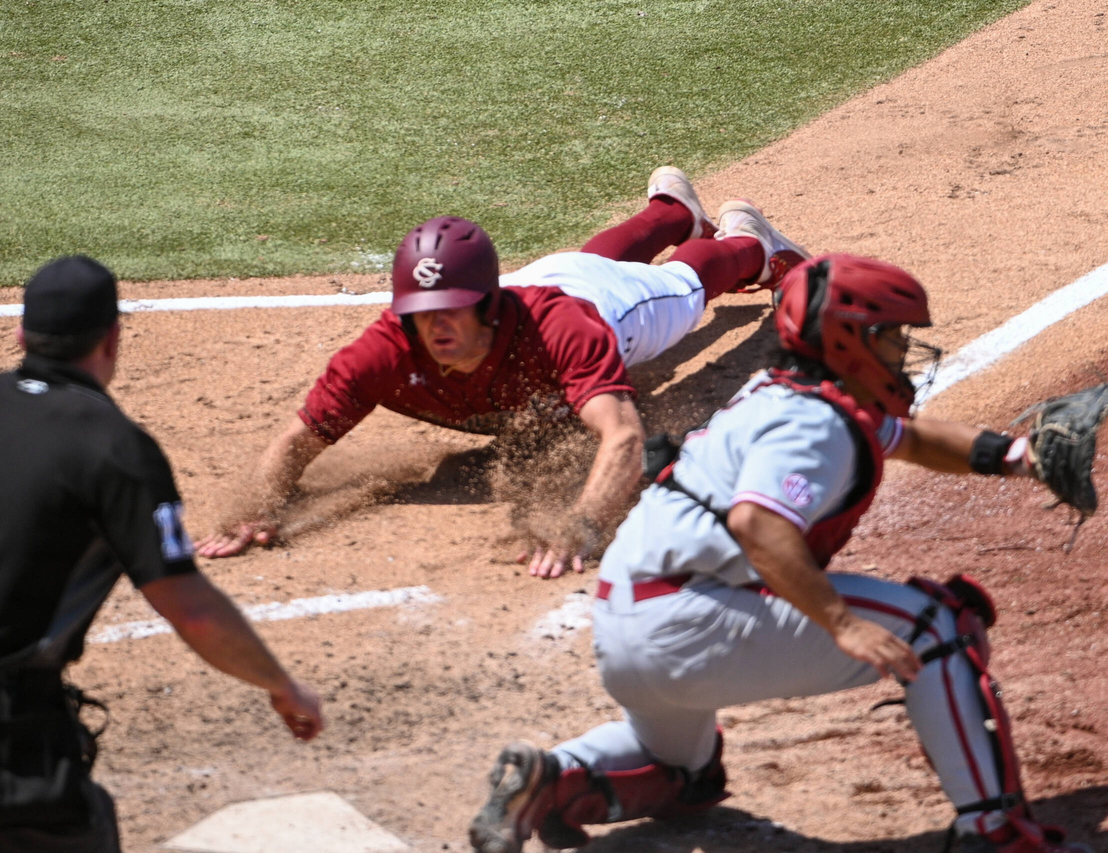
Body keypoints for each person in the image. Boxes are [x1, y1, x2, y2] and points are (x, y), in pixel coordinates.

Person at [467, 254, 1091, 853]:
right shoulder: (813, 425)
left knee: (680, 768)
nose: (902, 348)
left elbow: (909, 437)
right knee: (940, 626)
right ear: (849, 340)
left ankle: (552, 778)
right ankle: (996, 836)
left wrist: (1017, 458)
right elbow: (759, 526)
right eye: (891, 335)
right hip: (692, 615)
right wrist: (841, 625)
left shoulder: (780, 391)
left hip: (626, 624)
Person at [0, 256, 323, 853]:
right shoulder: (116, 449)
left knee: (83, 817)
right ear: (113, 338)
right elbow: (192, 608)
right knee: (84, 834)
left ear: (21, 333)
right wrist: (280, 684)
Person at [198, 167, 809, 578]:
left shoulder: (563, 329)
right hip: (549, 283)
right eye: (419, 313)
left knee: (681, 285)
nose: (433, 327)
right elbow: (297, 440)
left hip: (609, 310)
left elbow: (622, 437)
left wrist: (585, 524)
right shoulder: (384, 351)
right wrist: (256, 508)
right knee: (580, 259)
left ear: (489, 306)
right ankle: (672, 211)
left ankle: (749, 242)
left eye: (450, 311)